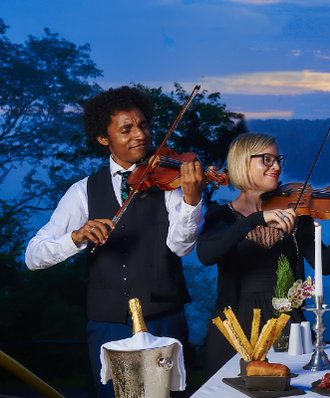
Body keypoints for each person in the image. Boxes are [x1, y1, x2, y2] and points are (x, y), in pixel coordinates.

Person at [25, 86, 207, 398]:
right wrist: (75, 237)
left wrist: (191, 200)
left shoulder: (170, 183)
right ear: (103, 138)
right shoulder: (82, 191)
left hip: (164, 320)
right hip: (109, 325)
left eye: (144, 125)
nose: (140, 134)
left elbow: (182, 247)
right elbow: (33, 256)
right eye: (127, 129)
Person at [197, 132, 330, 378]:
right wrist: (256, 219)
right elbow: (206, 255)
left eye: (278, 159)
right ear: (242, 162)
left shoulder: (295, 211)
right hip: (235, 326)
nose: (277, 166)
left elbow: (326, 265)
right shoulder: (220, 215)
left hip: (286, 325)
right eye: (267, 159)